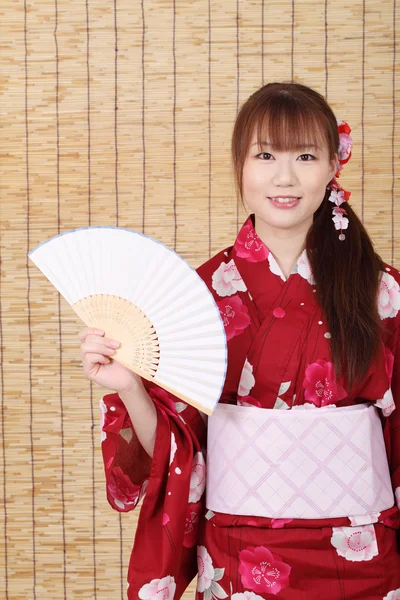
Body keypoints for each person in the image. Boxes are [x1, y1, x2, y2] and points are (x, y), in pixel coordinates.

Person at [78, 82, 400, 599]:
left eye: (306, 155)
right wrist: (131, 387)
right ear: (240, 165)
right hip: (240, 554)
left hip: (360, 549)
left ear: (334, 167)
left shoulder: (384, 293)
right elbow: (176, 441)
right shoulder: (198, 294)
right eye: (266, 154)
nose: (285, 176)